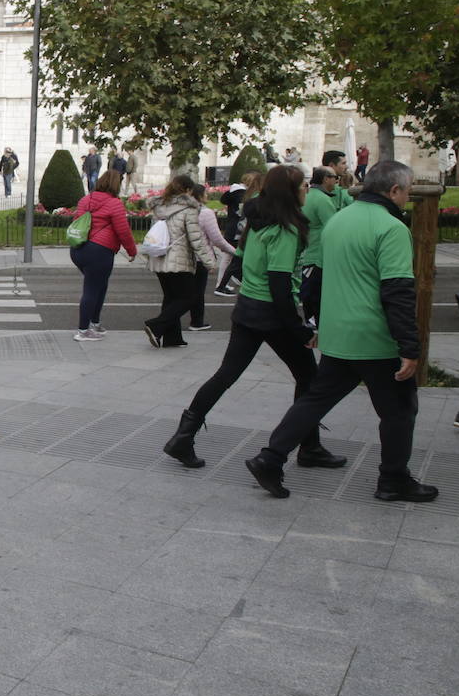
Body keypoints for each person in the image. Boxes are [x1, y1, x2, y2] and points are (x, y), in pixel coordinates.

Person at [243, 161, 437, 503]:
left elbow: (318, 278)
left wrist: (319, 323)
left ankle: (269, 458)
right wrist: (410, 345)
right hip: (375, 338)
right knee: (399, 411)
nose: (407, 197)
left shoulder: (337, 222)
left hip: (337, 333)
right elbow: (398, 291)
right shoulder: (391, 228)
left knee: (315, 400)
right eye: (406, 190)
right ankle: (393, 479)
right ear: (393, 191)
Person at [163, 165, 342, 470]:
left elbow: (244, 262)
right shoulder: (284, 230)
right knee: (309, 378)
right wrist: (299, 330)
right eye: (303, 186)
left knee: (226, 375)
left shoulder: (258, 221)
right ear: (290, 192)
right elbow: (280, 285)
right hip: (271, 312)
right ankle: (308, 446)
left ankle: (183, 436)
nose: (306, 191)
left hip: (248, 307)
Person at [144, 175, 216, 348]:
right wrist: (210, 262)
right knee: (190, 297)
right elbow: (196, 239)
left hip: (159, 257)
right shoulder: (189, 209)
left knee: (171, 298)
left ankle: (173, 338)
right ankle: (156, 325)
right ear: (188, 190)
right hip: (179, 259)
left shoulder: (159, 206)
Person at [68, 170, 138, 342]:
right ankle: (83, 330)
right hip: (99, 251)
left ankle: (95, 323)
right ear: (115, 184)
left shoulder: (86, 199)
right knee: (92, 289)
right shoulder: (115, 203)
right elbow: (123, 231)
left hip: (78, 249)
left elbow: (77, 220)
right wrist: (132, 251)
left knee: (100, 286)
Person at [189, 182, 234, 332]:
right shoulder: (205, 212)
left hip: (184, 256)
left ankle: (186, 321)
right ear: (200, 195)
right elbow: (216, 239)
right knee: (197, 292)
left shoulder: (184, 210)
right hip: (200, 257)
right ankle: (196, 321)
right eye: (205, 193)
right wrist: (234, 251)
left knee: (182, 293)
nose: (207, 195)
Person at [298, 166, 340, 326]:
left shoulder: (309, 196)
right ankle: (314, 320)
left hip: (307, 250)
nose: (336, 180)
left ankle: (310, 319)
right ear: (325, 179)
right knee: (315, 292)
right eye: (334, 177)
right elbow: (333, 228)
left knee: (309, 292)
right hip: (317, 253)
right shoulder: (323, 200)